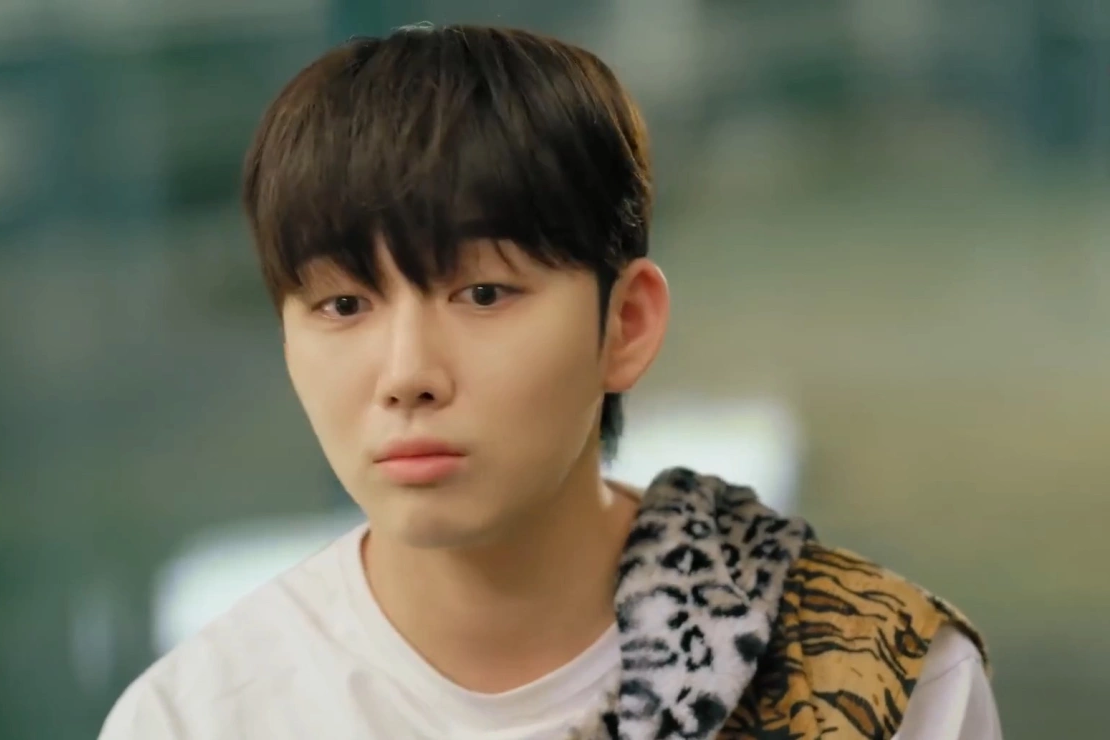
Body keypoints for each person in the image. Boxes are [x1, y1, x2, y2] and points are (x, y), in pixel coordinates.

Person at [99, 24, 1001, 740]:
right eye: (343, 305)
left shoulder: (870, 682)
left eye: (484, 294)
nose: (407, 375)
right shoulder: (198, 719)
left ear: (625, 324)